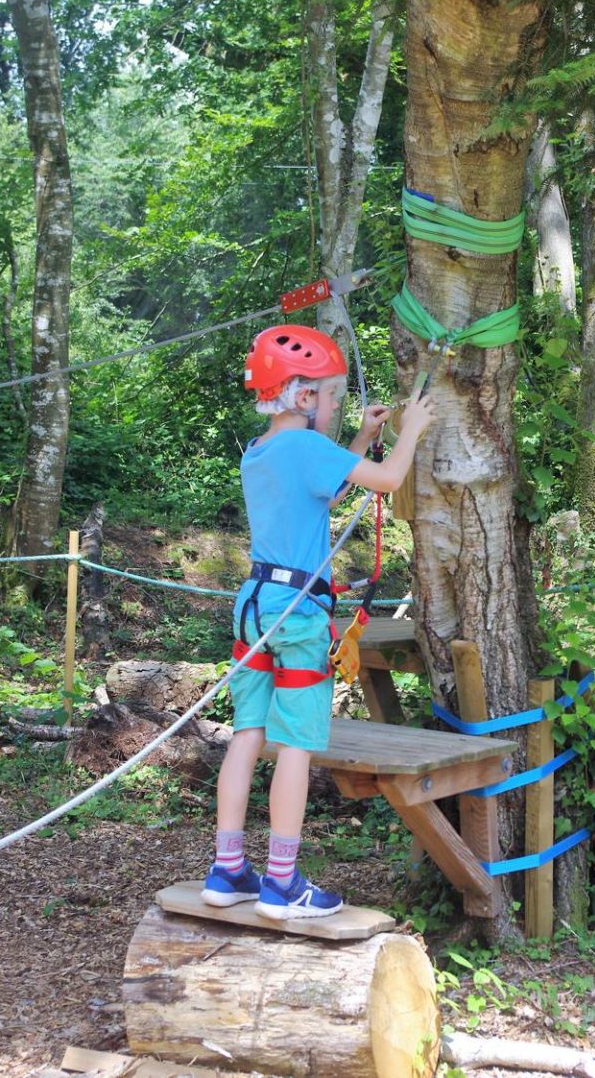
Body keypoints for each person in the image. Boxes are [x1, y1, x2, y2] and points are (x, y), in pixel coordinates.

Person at [202, 323, 436, 920]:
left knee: (248, 734)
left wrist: (362, 435)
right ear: (304, 396)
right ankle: (282, 883)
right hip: (298, 614)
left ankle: (228, 870)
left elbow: (325, 496)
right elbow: (388, 480)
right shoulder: (307, 447)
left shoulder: (260, 450)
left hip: (255, 604)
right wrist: (410, 430)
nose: (334, 407)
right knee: (297, 746)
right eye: (331, 396)